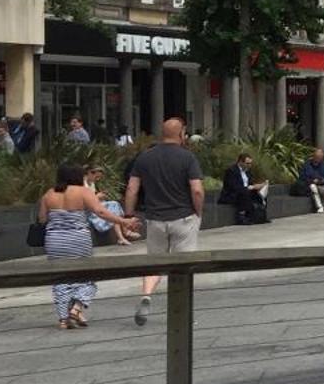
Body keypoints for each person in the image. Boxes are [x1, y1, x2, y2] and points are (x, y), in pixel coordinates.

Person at [124, 117, 205, 326]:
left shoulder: (145, 157)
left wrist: (128, 216)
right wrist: (198, 212)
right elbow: (196, 189)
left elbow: (132, 188)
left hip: (155, 220)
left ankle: (146, 296)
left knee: (154, 263)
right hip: (183, 218)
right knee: (183, 268)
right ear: (181, 134)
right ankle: (183, 316)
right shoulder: (188, 158)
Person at [39, 163, 132, 328]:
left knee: (61, 278)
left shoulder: (49, 194)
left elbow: (42, 219)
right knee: (86, 275)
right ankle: (76, 308)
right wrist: (123, 221)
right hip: (78, 239)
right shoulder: (83, 192)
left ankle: (63, 318)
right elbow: (101, 212)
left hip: (55, 240)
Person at [218, 153, 270, 225]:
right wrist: (249, 188)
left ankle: (261, 215)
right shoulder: (231, 171)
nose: (249, 166)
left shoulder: (247, 171)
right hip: (232, 194)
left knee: (260, 193)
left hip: (246, 192)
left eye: (250, 163)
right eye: (247, 163)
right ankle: (241, 217)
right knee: (244, 192)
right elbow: (233, 187)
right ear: (240, 162)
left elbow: (251, 183)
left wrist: (258, 186)